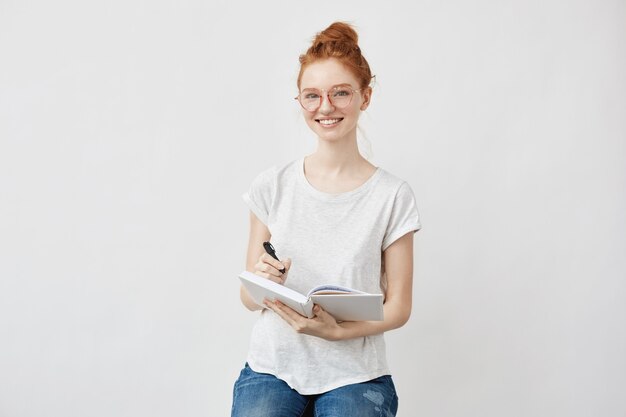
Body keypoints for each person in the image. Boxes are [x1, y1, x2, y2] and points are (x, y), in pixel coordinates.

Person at [231, 21, 421, 417]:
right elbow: (248, 299)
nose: (325, 107)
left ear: (364, 97)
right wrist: (262, 280)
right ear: (300, 101)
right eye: (312, 96)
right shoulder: (272, 185)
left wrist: (338, 331)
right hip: (271, 368)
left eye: (340, 93)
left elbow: (399, 305)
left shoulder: (392, 196)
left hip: (355, 373)